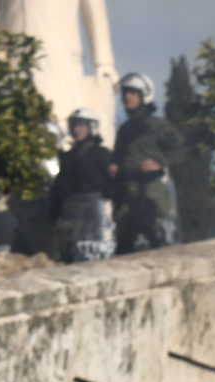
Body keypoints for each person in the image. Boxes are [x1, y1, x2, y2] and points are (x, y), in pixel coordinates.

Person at [110, 72, 182, 254]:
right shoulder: (124, 129)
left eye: (133, 92)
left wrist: (160, 164)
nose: (127, 97)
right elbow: (118, 158)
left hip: (152, 194)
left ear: (145, 95)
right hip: (127, 198)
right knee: (125, 248)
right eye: (125, 92)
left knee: (159, 244)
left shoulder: (157, 125)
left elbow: (181, 150)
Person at [49, 108, 116, 262]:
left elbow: (113, 181)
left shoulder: (101, 153)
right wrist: (54, 213)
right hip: (71, 216)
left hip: (96, 217)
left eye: (81, 125)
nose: (76, 129)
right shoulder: (67, 157)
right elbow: (60, 187)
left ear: (91, 127)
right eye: (74, 125)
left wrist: (109, 195)